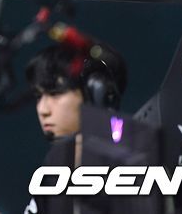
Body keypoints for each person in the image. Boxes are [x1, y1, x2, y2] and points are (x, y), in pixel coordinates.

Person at [23, 43, 128, 214]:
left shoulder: (132, 167)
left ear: (96, 94)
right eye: (38, 96)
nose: (43, 109)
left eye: (55, 93)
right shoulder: (56, 162)